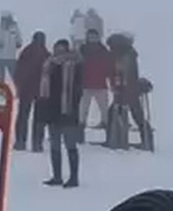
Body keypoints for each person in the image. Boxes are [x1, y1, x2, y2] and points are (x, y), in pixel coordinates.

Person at [38, 38, 84, 188]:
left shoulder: (75, 65)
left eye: (62, 48)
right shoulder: (49, 64)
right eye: (57, 47)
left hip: (67, 109)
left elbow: (78, 88)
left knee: (70, 144)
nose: (59, 50)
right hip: (52, 109)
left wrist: (74, 106)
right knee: (55, 144)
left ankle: (74, 177)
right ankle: (57, 176)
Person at [13, 31, 49, 151]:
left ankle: (20, 141)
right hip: (39, 90)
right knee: (38, 118)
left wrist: (18, 85)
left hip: (27, 88)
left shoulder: (27, 52)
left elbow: (19, 70)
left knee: (23, 116)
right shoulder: (46, 54)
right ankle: (36, 143)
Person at [78, 29, 113, 131]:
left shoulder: (103, 50)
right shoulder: (82, 50)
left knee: (103, 108)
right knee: (83, 109)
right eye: (90, 37)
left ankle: (107, 126)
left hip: (100, 83)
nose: (92, 39)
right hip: (85, 84)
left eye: (94, 37)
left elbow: (109, 67)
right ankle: (81, 127)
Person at [0, 12, 22, 83]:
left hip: (11, 57)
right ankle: (0, 92)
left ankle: (18, 92)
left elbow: (19, 39)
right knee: (0, 79)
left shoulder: (14, 28)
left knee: (16, 78)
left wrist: (19, 43)